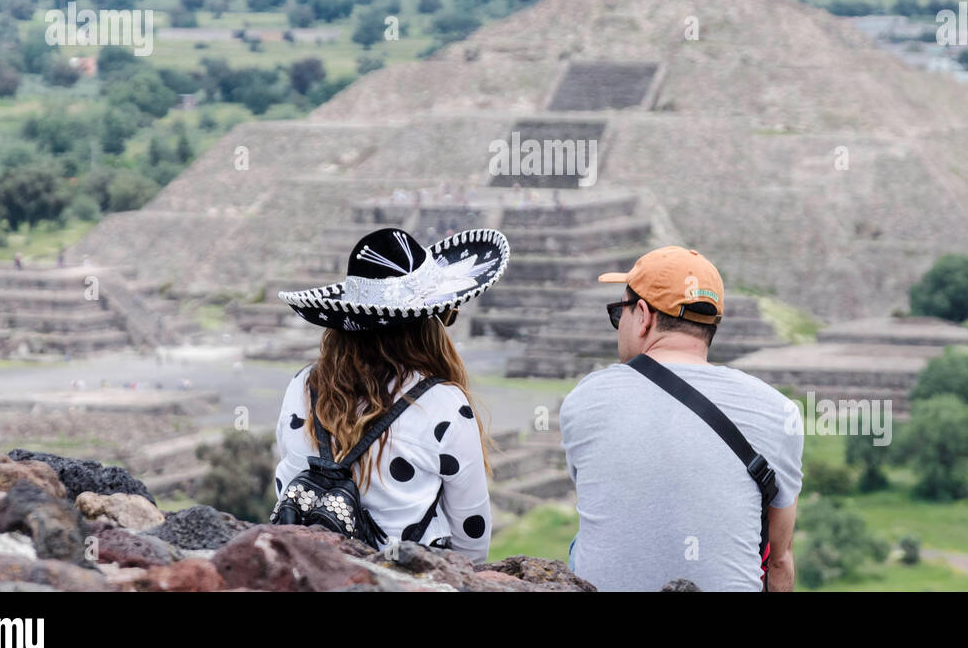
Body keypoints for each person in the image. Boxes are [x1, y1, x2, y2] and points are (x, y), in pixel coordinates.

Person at [560, 246, 803, 591]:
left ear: (643, 315)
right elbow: (779, 560)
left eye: (620, 313)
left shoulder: (585, 398)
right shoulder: (778, 410)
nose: (619, 325)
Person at [274, 226, 510, 561]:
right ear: (427, 323)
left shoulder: (302, 386)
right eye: (446, 314)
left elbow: (286, 488)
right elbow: (471, 540)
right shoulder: (445, 406)